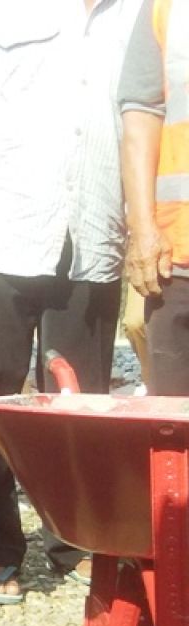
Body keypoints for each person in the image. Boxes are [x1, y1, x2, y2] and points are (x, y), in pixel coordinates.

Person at [0, 0, 143, 603]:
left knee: (83, 401)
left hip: (95, 234)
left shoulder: (141, 12)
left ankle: (76, 542)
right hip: (0, 227)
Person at [120, 0, 189, 393]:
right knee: (174, 437)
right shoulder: (166, 6)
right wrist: (142, 228)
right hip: (177, 265)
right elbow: (142, 110)